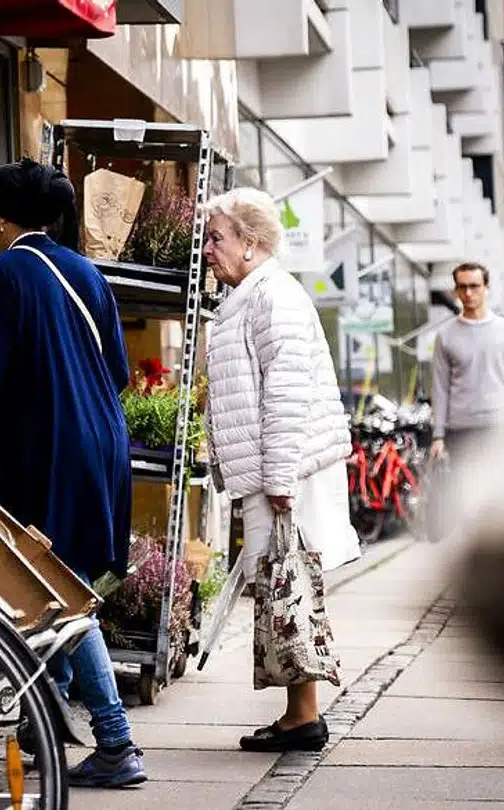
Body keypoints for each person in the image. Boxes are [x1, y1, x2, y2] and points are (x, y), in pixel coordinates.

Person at [0, 158, 145, 788]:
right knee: (62, 578)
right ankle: (43, 726)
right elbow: (116, 369)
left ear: (4, 217)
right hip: (103, 439)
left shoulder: (3, 273)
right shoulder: (85, 269)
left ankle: (115, 742)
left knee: (58, 589)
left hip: (46, 447)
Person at [199, 187, 361, 753]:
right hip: (275, 472)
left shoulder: (274, 297)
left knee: (291, 589)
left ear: (251, 242)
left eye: (217, 237)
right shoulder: (251, 295)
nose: (208, 248)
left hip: (287, 473)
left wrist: (281, 481)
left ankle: (304, 717)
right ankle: (299, 714)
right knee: (283, 590)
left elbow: (287, 394)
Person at [428, 262, 504, 462]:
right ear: (456, 291)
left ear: (486, 288)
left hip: (500, 427)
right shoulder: (445, 335)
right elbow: (440, 388)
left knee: (503, 491)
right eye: (463, 287)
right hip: (460, 430)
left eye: (474, 286)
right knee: (464, 493)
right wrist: (438, 435)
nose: (469, 293)